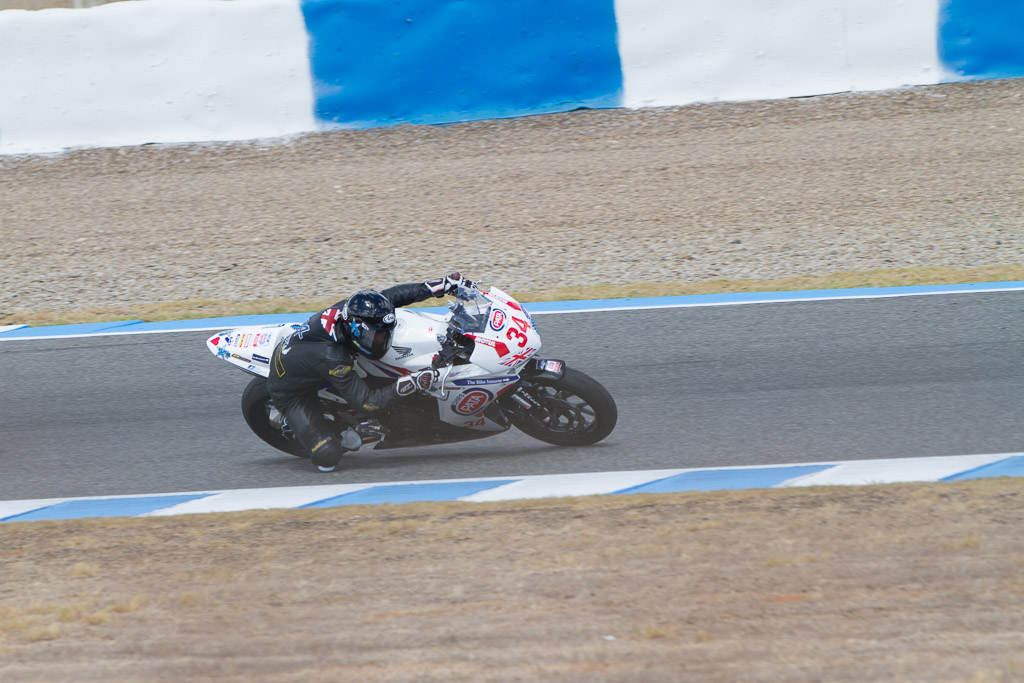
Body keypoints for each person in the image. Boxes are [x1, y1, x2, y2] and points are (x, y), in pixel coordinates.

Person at [266, 272, 472, 472]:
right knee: (328, 457)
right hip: (292, 394)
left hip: (308, 357)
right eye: (376, 337)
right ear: (356, 330)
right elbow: (368, 404)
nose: (382, 340)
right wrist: (413, 382)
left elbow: (391, 297)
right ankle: (287, 422)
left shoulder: (353, 310)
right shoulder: (333, 358)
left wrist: (439, 286)